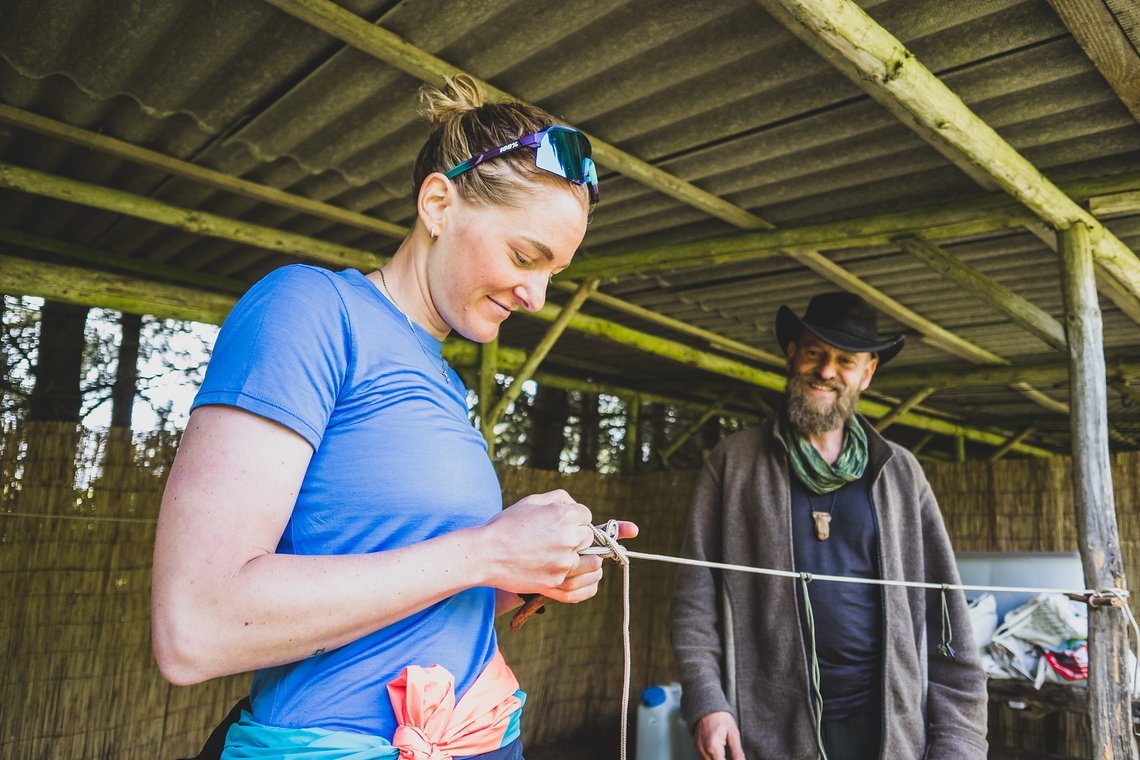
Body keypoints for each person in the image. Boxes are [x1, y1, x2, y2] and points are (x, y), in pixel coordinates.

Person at [151, 74, 635, 760]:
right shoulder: (311, 310)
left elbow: (403, 592)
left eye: (554, 270)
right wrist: (485, 550)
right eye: (526, 257)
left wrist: (516, 575)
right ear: (438, 203)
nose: (537, 295)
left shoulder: (440, 377)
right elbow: (196, 626)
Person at [671, 292, 987, 760]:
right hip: (768, 731)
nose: (826, 371)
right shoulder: (734, 464)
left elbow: (947, 617)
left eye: (845, 360)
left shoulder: (899, 472)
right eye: (816, 353)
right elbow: (694, 601)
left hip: (888, 730)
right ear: (792, 354)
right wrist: (707, 703)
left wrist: (959, 741)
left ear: (868, 372)